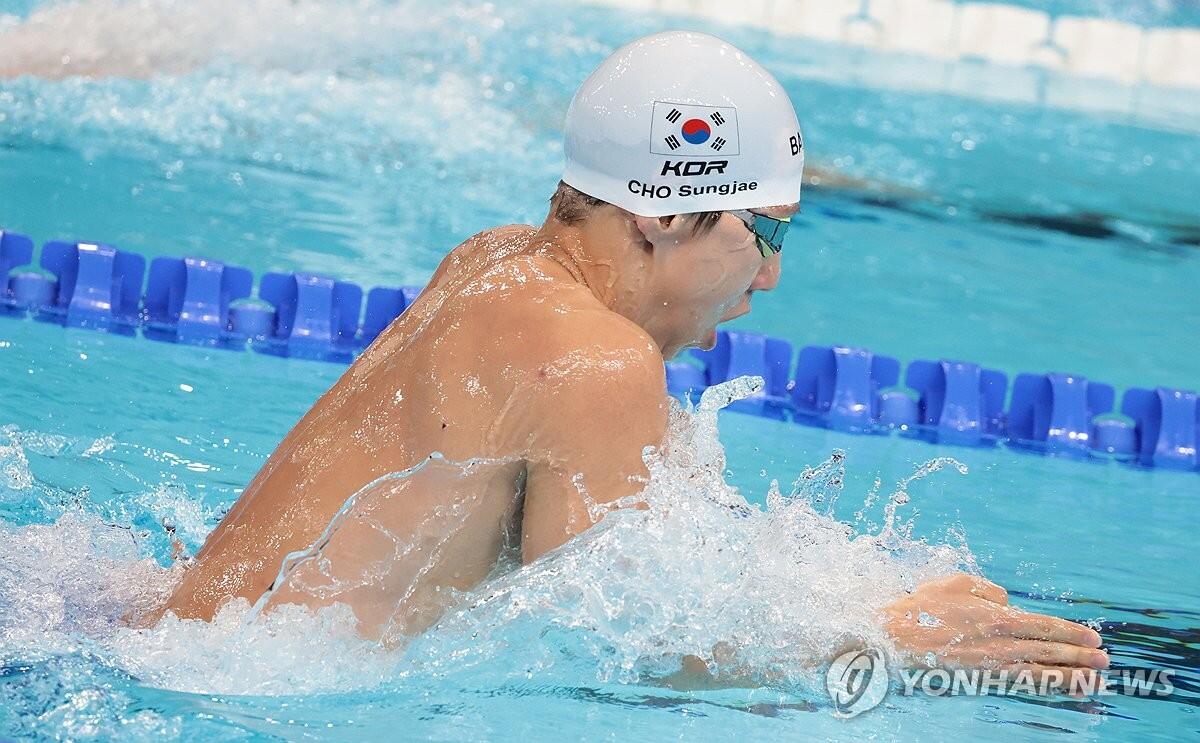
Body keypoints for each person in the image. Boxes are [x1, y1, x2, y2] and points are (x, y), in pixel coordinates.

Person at [153, 31, 1107, 685]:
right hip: (226, 703)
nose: (769, 281)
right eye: (768, 234)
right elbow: (598, 654)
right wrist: (880, 639)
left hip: (170, 643)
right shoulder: (594, 361)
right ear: (659, 211)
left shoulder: (497, 262)